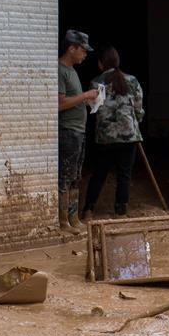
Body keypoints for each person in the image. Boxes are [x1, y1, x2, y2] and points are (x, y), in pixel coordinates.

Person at [81, 46, 144, 219]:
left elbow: (92, 107)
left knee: (99, 173)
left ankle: (88, 209)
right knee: (124, 174)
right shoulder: (132, 80)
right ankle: (120, 211)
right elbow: (138, 107)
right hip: (129, 135)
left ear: (101, 64)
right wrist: (135, 122)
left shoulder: (96, 83)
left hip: (105, 137)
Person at [58, 29, 100, 233]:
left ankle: (74, 218)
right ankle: (63, 221)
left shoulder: (72, 71)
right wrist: (84, 96)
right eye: (82, 50)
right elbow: (60, 103)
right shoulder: (60, 70)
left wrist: (87, 100)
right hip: (68, 131)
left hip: (78, 130)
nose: (85, 55)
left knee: (75, 176)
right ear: (71, 48)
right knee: (65, 177)